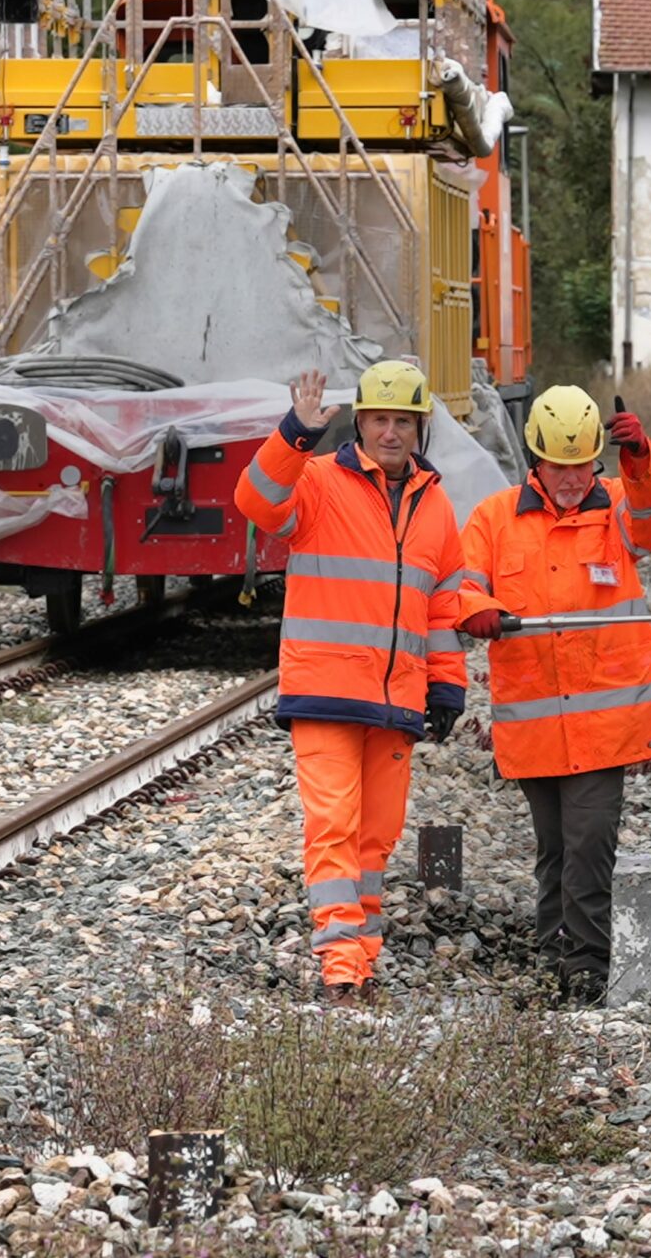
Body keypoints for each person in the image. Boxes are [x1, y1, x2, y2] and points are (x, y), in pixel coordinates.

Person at [234, 361, 471, 1002]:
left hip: (395, 699)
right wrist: (293, 435)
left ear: (419, 426)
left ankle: (361, 956)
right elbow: (254, 501)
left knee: (378, 833)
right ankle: (341, 966)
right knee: (334, 825)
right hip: (327, 691)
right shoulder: (315, 481)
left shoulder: (435, 503)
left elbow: (443, 604)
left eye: (402, 421)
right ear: (359, 421)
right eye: (378, 419)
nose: (390, 432)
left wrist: (447, 685)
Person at [454, 386, 651, 1007]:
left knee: (588, 841)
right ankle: (554, 947)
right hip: (534, 722)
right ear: (536, 460)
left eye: (583, 465)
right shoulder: (495, 518)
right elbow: (465, 581)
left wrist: (641, 458)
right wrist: (477, 609)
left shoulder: (615, 511)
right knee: (555, 845)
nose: (572, 479)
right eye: (560, 466)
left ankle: (586, 963)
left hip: (605, 722)